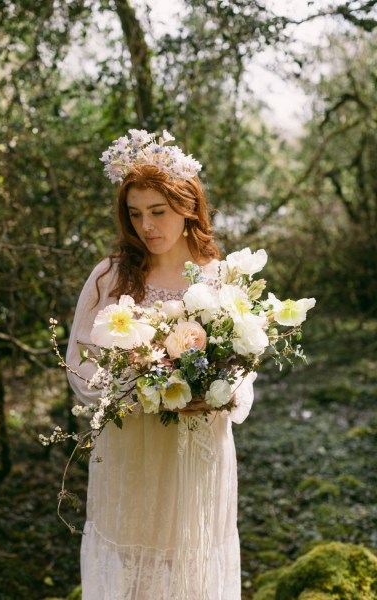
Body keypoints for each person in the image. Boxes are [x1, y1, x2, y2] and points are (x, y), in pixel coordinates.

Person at [66, 130, 256, 600]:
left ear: (187, 207)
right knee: (132, 559)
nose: (146, 226)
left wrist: (219, 391)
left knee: (193, 555)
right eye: (135, 214)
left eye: (157, 212)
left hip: (198, 453)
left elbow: (246, 362)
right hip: (133, 449)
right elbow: (79, 365)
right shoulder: (110, 277)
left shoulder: (220, 276)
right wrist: (142, 390)